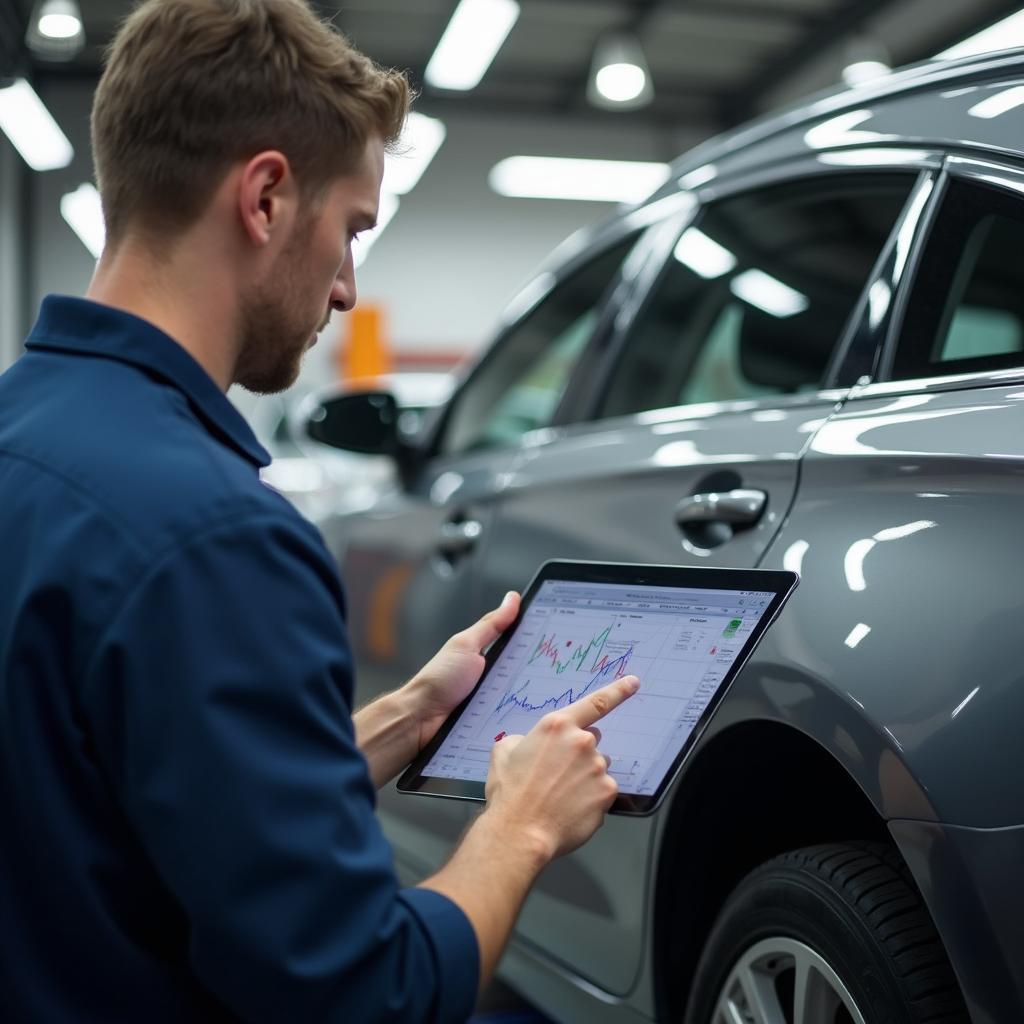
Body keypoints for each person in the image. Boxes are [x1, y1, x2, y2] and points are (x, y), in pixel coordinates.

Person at [0, 1, 639, 1022]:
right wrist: (517, 825)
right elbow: (361, 993)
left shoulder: (24, 437)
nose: (346, 288)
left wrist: (413, 714)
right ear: (264, 197)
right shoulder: (215, 537)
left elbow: (129, 793)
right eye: (350, 231)